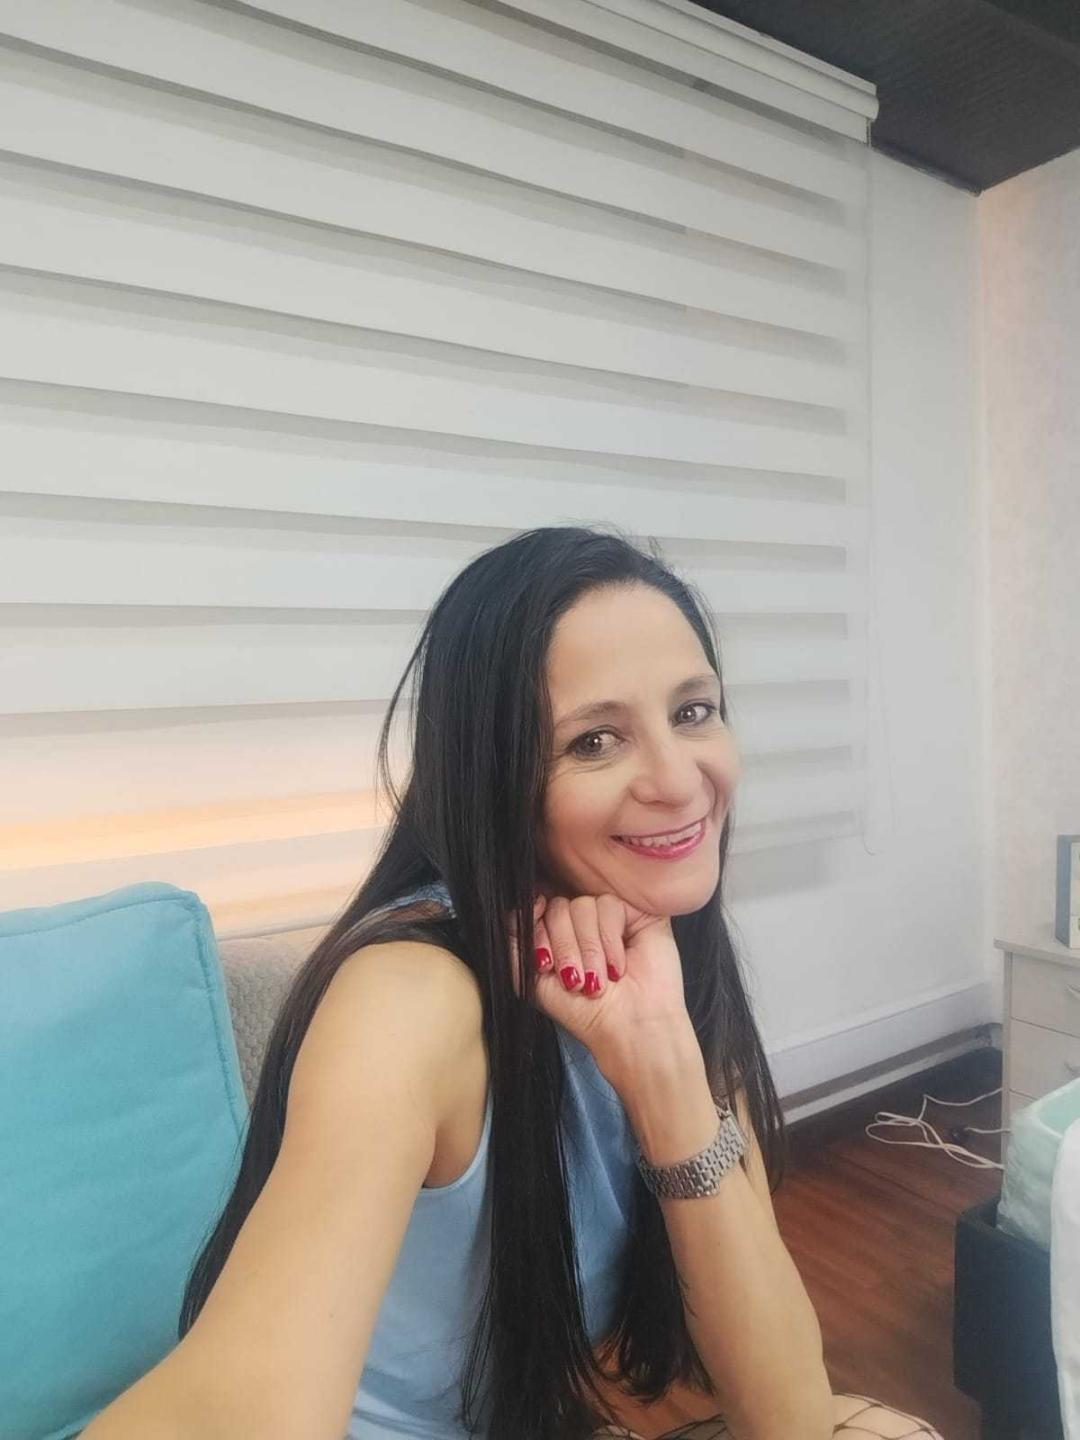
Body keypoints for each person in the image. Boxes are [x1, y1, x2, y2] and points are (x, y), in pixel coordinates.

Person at [82, 525, 943, 1439]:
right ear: (495, 773)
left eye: (693, 712)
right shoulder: (409, 997)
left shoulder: (664, 959)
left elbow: (790, 1418)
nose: (678, 780)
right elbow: (245, 1407)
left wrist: (660, 1067)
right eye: (596, 740)